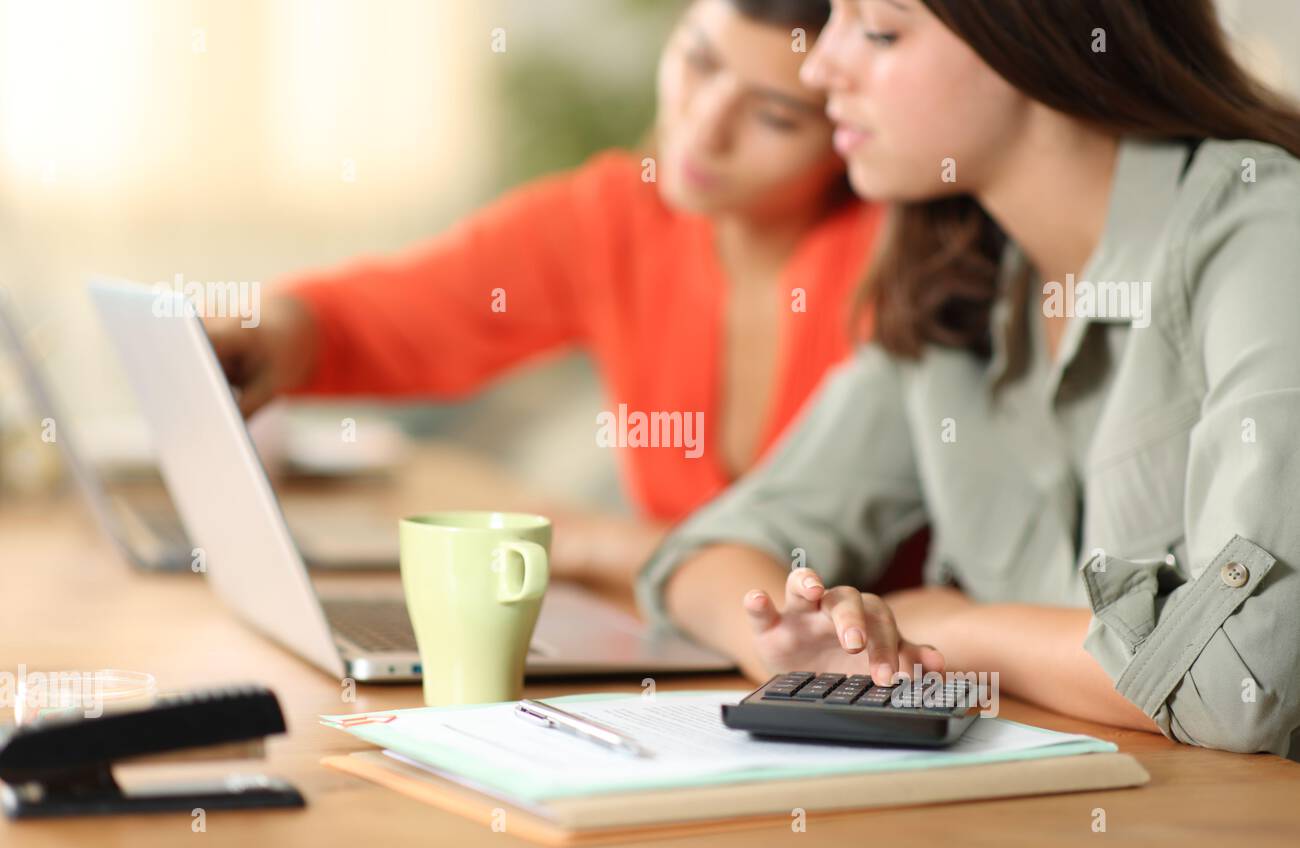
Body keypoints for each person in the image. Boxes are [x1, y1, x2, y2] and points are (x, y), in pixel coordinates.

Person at [638, 0, 1300, 757]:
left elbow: (1242, 680)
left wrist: (951, 626)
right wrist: (797, 641)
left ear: (1030, 35)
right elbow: (704, 552)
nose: (820, 68)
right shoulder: (954, 277)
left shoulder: (1267, 234)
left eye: (879, 30)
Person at [203, 0, 927, 595]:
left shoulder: (907, 258)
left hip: (879, 695)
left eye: (776, 117)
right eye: (697, 62)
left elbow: (820, 569)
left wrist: (608, 547)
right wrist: (265, 335)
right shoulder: (621, 214)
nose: (704, 130)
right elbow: (404, 312)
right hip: (696, 667)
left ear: (847, 128)